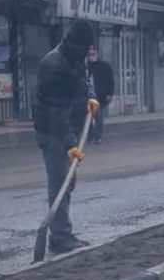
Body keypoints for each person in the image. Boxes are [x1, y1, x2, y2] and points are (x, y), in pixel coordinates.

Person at [33, 22, 100, 253]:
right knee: (60, 183)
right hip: (52, 132)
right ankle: (60, 236)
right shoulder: (54, 65)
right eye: (85, 48)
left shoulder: (74, 57)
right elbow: (56, 111)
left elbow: (84, 80)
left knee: (67, 182)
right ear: (75, 44)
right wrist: (71, 143)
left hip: (65, 127)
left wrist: (90, 97)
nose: (87, 52)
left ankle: (62, 232)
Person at [87, 45, 115, 144]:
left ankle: (98, 137)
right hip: (87, 97)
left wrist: (109, 94)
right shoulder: (84, 66)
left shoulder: (105, 66)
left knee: (98, 117)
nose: (91, 55)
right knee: (87, 119)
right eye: (89, 53)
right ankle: (90, 136)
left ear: (97, 53)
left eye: (93, 53)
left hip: (100, 96)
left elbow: (110, 81)